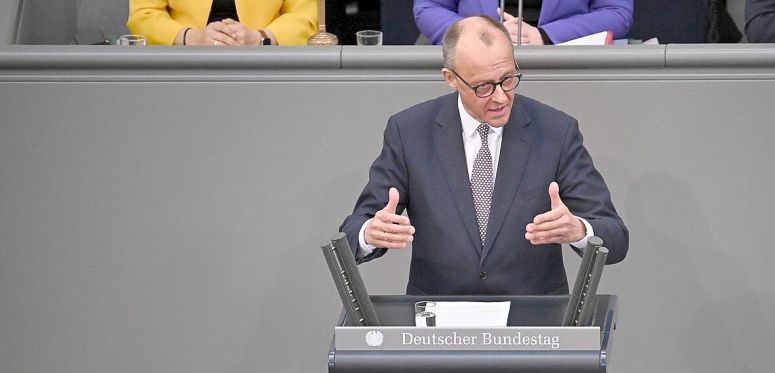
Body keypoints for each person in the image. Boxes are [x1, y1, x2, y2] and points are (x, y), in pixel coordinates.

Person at [339, 15, 628, 296]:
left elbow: (615, 237)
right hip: (438, 322)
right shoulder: (409, 131)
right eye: (484, 87)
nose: (501, 97)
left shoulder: (556, 131)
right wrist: (370, 233)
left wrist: (578, 229)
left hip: (534, 323)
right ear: (451, 79)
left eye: (508, 79)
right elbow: (351, 232)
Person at [413, 0, 633, 45]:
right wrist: (479, 33)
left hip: (559, 59)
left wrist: (544, 35)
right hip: (474, 58)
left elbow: (617, 13)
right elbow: (428, 7)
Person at [128, 0, 317, 46]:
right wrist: (192, 37)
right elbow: (143, 15)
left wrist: (259, 38)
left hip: (264, 67)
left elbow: (304, 18)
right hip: (181, 65)